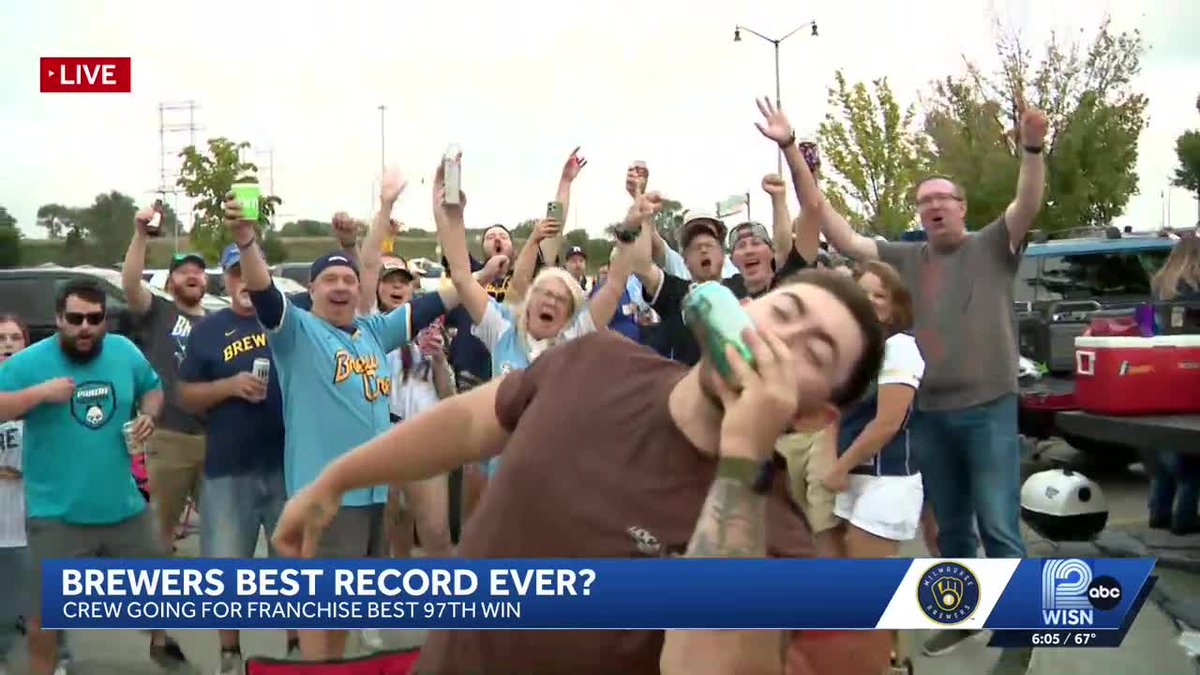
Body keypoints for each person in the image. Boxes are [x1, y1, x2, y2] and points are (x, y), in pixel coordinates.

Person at [270, 260, 890, 674]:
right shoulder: (596, 360)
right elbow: (466, 423)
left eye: (813, 350)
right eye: (782, 314)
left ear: (814, 417)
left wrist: (743, 458)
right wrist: (336, 480)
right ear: (744, 307)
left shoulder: (774, 540)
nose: (779, 342)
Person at [808, 90, 1047, 664]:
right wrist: (805, 169)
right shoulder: (905, 259)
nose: (934, 206)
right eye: (925, 201)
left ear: (962, 207)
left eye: (944, 198)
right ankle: (963, 618)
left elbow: (1026, 202)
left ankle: (1019, 637)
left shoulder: (994, 245)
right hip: (931, 417)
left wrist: (1033, 148)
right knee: (951, 534)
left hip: (988, 408)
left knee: (998, 526)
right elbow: (841, 235)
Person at [223, 180, 458, 661]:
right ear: (310, 291)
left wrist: (483, 269)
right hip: (328, 498)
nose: (341, 286)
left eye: (348, 280)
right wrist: (248, 241)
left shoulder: (372, 330)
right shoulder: (297, 332)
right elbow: (265, 293)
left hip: (373, 496)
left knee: (348, 614)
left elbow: (434, 302)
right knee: (322, 618)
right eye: (329, 280)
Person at [0, 279, 188, 675]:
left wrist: (148, 417)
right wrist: (40, 394)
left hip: (123, 508)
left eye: (94, 318)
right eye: (75, 318)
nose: (85, 326)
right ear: (58, 320)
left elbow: (152, 390)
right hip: (57, 517)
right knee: (44, 623)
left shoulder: (122, 351)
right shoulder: (30, 363)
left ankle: (157, 639)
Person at [176, 244, 300, 672]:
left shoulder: (288, 319)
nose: (243, 280)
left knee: (294, 566)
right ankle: (230, 653)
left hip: (288, 464)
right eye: (233, 272)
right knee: (228, 570)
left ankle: (298, 648)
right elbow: (187, 396)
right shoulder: (209, 330)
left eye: (249, 269)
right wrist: (229, 387)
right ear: (224, 279)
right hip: (228, 468)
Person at [821, 261, 925, 559]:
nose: (868, 300)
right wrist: (832, 464)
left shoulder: (900, 348)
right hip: (850, 477)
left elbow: (886, 423)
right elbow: (834, 414)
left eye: (879, 295)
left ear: (894, 307)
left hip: (887, 479)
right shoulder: (855, 353)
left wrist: (839, 467)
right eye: (862, 292)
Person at [121, 215, 209, 550]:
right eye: (183, 271)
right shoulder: (159, 312)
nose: (191, 275)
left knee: (220, 531)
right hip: (168, 438)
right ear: (171, 281)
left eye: (197, 271)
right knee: (157, 537)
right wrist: (140, 234)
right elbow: (130, 284)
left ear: (205, 280)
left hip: (213, 440)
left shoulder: (218, 322)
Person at [1147, 237, 1200, 534]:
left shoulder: (1159, 285)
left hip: (1159, 365)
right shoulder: (1196, 285)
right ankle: (1185, 516)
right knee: (1191, 449)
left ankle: (1159, 511)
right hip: (1192, 366)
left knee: (1161, 440)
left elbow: (1146, 323)